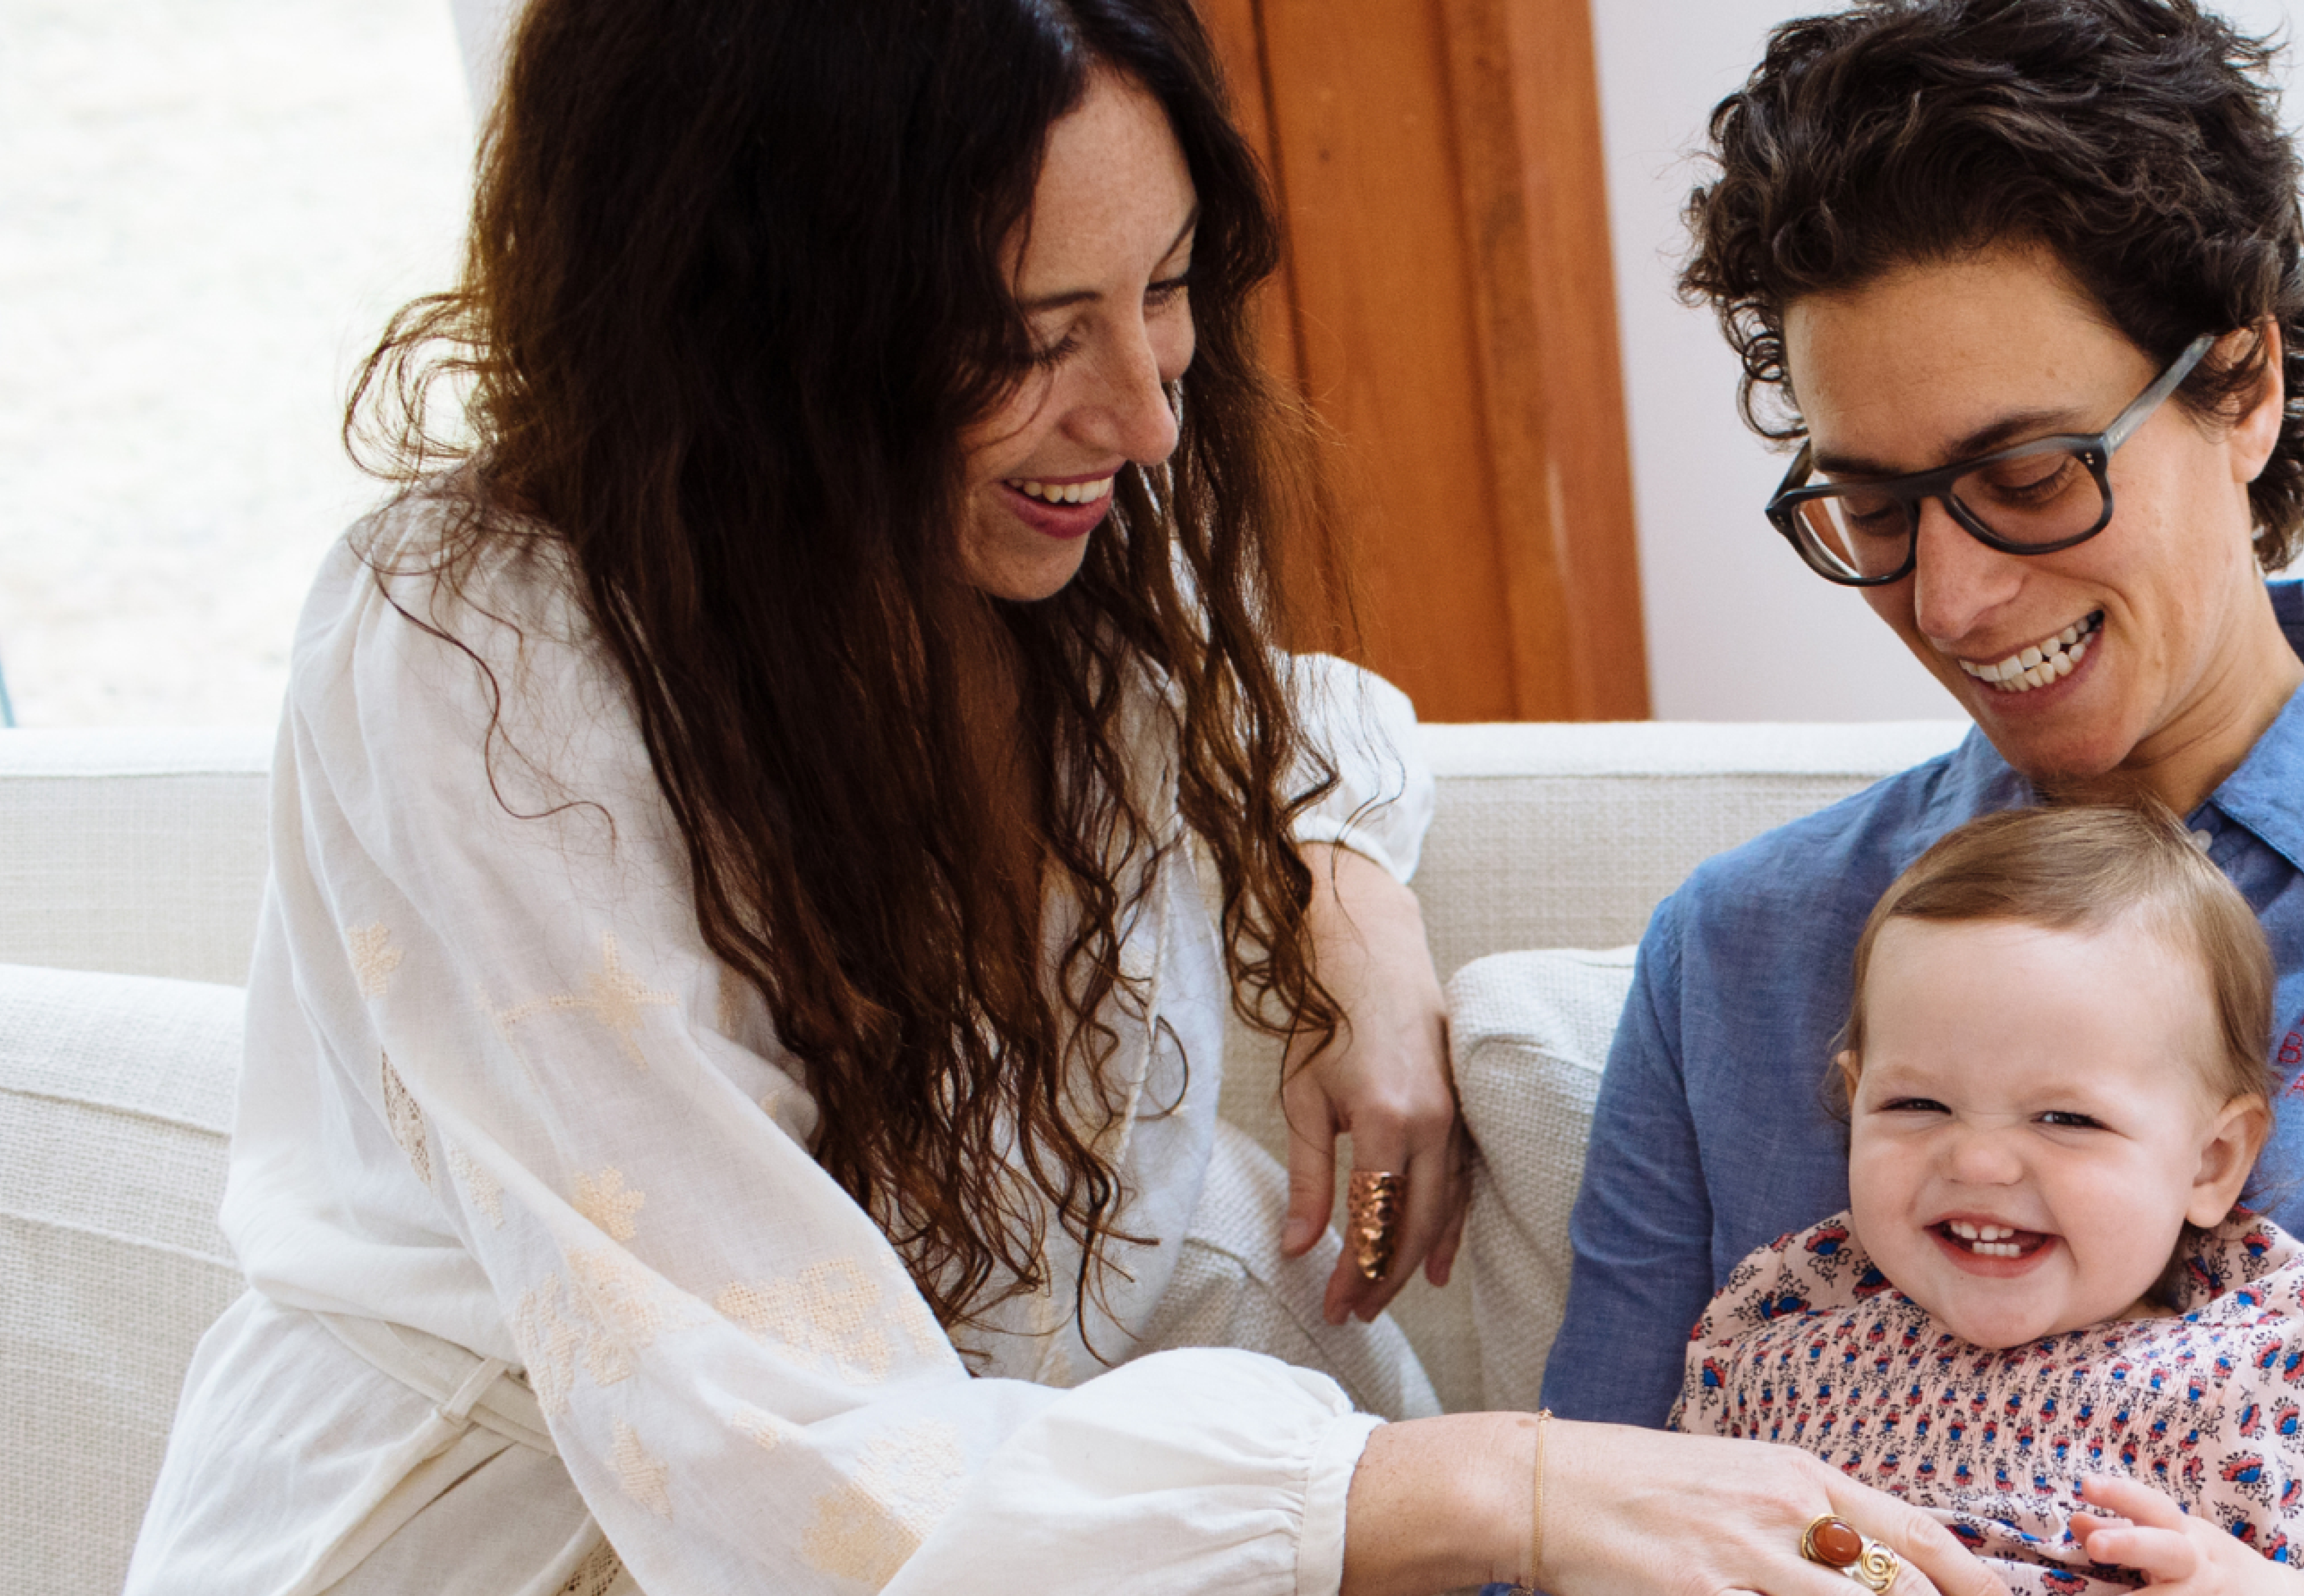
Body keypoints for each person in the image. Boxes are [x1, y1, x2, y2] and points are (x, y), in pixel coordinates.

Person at [122, 3, 2010, 1593]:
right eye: (1031, 337)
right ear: (755, 335)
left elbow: (1265, 716)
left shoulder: (1034, 523)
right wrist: (1480, 1484)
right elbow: (765, 1453)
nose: (1146, 416)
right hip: (573, 1532)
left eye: (1170, 289)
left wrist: (1337, 893)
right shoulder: (478, 663)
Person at [1541, 3, 2304, 1592]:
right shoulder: (1738, 956)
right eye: (1873, 508)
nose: (1956, 599)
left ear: (2242, 383)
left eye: (2031, 476)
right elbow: (1574, 1535)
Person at [1672, 805, 2304, 1596]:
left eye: (2067, 1118)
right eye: (1916, 1106)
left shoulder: (2250, 1371)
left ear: (2210, 1163)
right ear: (1855, 1104)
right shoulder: (1777, 1350)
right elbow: (1651, 1534)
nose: (1981, 1161)